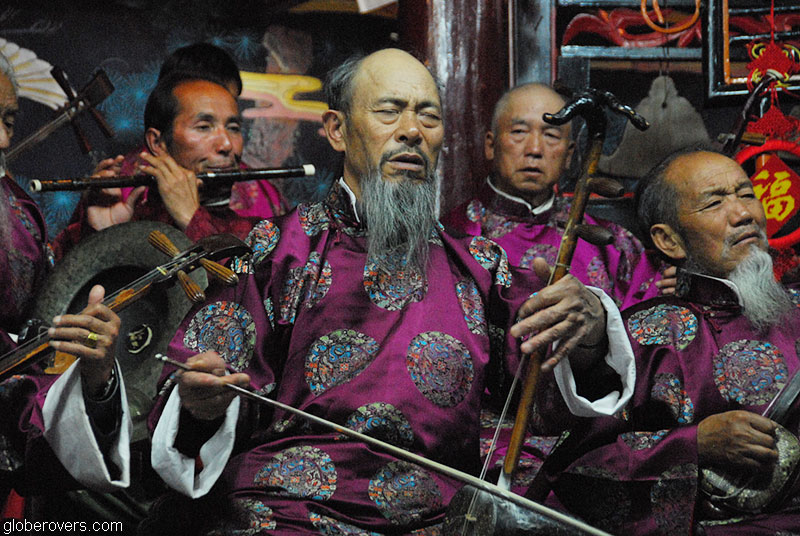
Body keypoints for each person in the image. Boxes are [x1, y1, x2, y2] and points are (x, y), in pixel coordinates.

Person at [143, 48, 635, 534]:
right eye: (389, 111)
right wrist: (202, 404)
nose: (412, 132)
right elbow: (206, 383)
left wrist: (589, 328)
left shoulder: (481, 266)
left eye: (429, 117)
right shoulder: (278, 249)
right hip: (290, 508)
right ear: (337, 130)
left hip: (440, 514)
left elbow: (545, 388)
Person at [540, 147, 800, 534]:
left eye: (746, 194)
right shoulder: (653, 332)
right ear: (670, 240)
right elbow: (578, 472)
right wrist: (694, 444)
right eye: (715, 202)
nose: (744, 214)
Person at [0, 54, 128, 510]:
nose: (1, 137)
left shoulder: (18, 210)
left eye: (8, 119)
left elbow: (38, 317)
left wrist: (93, 235)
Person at [444, 83, 674, 310]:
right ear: (491, 146)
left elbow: (649, 310)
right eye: (519, 132)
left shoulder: (611, 243)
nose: (534, 149)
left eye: (551, 135)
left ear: (568, 154)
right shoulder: (452, 236)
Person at [56, 44, 285, 257]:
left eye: (232, 124)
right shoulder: (122, 191)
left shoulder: (260, 218)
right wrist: (100, 237)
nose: (226, 144)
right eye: (204, 125)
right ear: (157, 142)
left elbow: (254, 292)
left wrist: (192, 219)